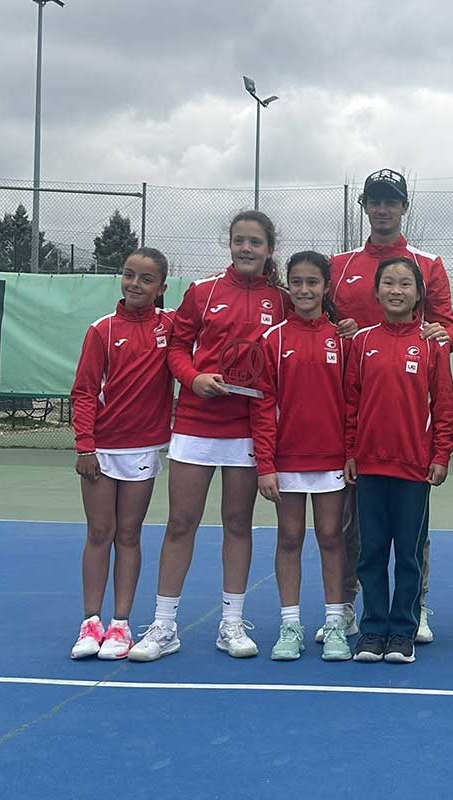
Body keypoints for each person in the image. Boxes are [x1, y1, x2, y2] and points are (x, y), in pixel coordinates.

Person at [129, 210, 291, 662]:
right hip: (196, 424)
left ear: (269, 249)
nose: (246, 248)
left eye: (255, 242)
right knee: (181, 522)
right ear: (230, 244)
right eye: (239, 240)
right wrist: (194, 378)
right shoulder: (203, 291)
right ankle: (164, 626)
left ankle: (231, 624)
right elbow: (177, 348)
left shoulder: (281, 301)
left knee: (238, 524)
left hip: (247, 430)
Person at [327, 168, 453, 645]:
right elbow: (322, 325)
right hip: (351, 411)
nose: (382, 209)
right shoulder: (339, 265)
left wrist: (439, 335)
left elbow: (447, 330)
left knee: (409, 531)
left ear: (404, 207)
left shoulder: (428, 263)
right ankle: (346, 607)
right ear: (364, 205)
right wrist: (340, 333)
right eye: (375, 200)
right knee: (351, 524)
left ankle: (412, 607)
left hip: (406, 418)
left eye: (391, 201)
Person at [344, 256, 453, 665]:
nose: (396, 290)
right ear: (376, 292)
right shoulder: (362, 342)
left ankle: (403, 632)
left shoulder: (432, 344)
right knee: (371, 552)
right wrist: (351, 452)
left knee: (408, 554)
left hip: (414, 468)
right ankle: (373, 629)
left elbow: (443, 405)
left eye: (405, 283)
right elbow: (350, 403)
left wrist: (441, 454)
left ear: (419, 293)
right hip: (370, 467)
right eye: (388, 283)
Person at [69, 248, 175, 660]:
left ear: (161, 287)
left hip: (143, 449)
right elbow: (83, 391)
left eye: (146, 279)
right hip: (100, 451)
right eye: (129, 275)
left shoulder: (170, 326)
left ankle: (120, 624)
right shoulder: (102, 330)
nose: (135, 284)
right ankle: (90, 623)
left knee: (129, 534)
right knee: (99, 532)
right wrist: (85, 445)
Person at [250, 251, 352, 662]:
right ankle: (290, 625)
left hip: (332, 461)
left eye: (313, 282)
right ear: (287, 286)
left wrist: (350, 454)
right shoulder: (272, 340)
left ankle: (335, 623)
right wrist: (265, 465)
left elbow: (352, 404)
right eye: (297, 282)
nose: (305, 290)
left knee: (331, 536)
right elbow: (262, 406)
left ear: (326, 287)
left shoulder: (343, 340)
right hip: (286, 461)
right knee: (289, 538)